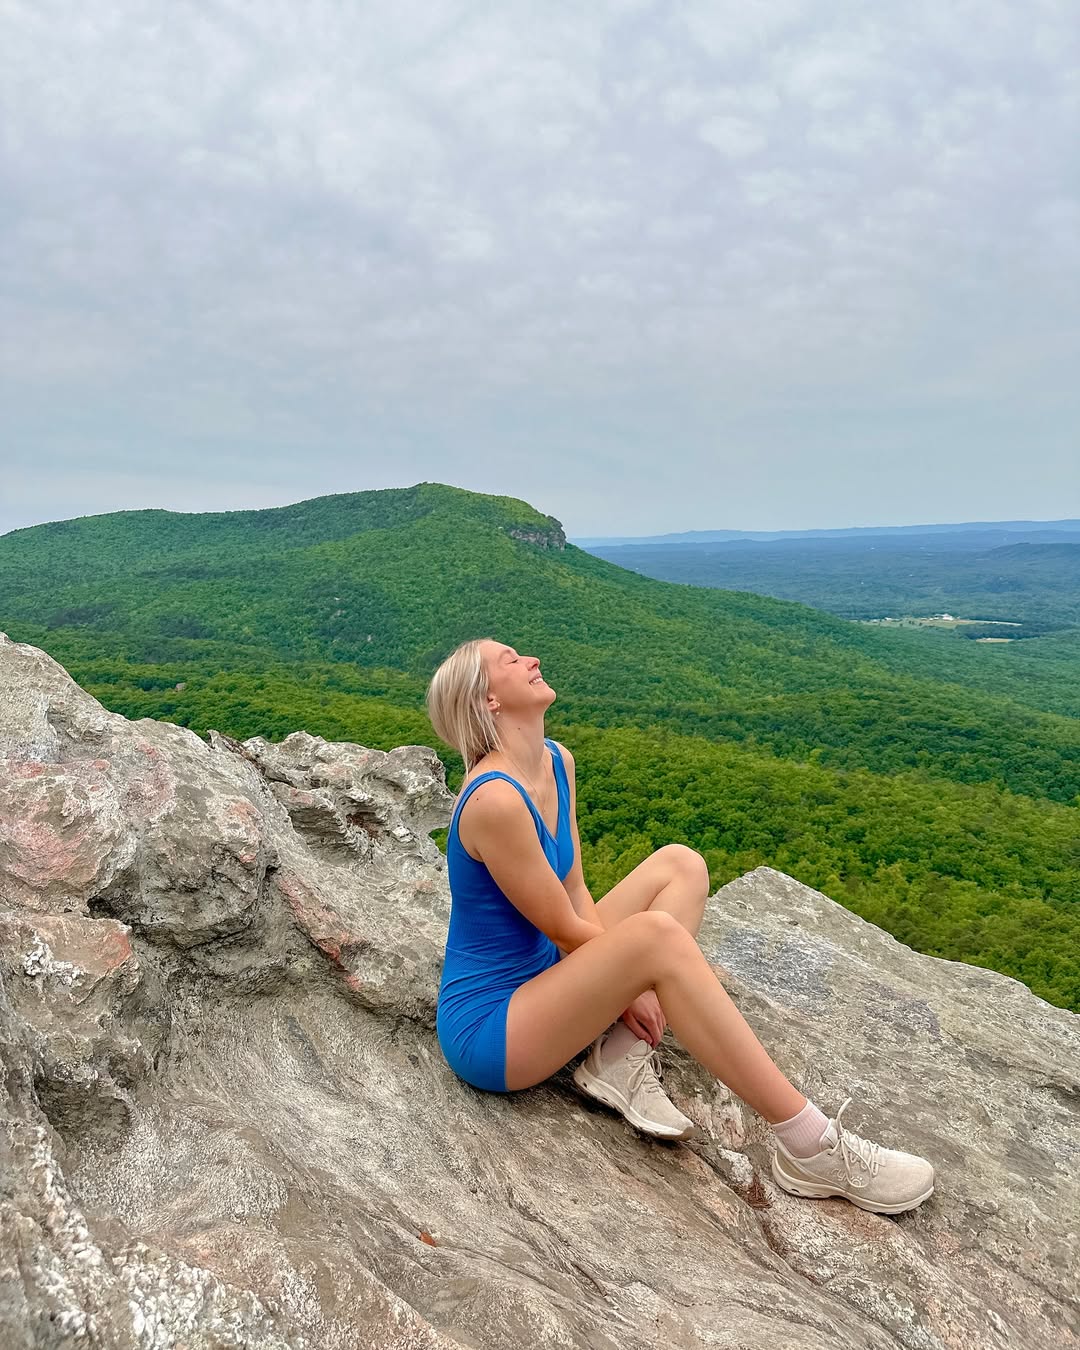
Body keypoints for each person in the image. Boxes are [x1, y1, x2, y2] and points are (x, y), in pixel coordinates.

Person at [426, 637, 935, 1215]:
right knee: (658, 941)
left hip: (547, 972)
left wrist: (617, 982)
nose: (532, 660)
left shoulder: (554, 761)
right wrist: (634, 981)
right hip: (495, 1028)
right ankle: (810, 1146)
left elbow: (574, 889)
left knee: (681, 864)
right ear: (489, 700)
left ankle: (615, 1057)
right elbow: (566, 928)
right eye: (511, 661)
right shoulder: (495, 800)